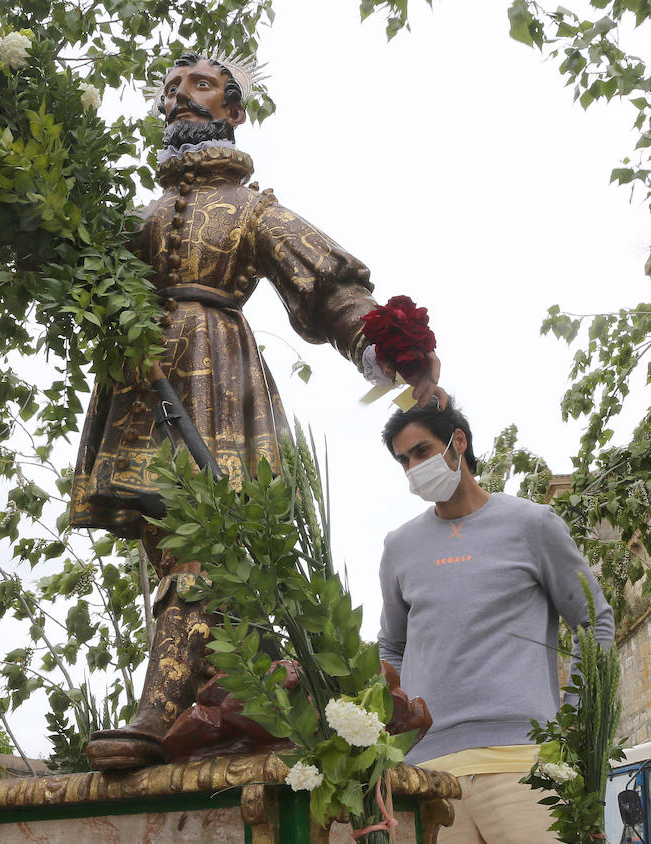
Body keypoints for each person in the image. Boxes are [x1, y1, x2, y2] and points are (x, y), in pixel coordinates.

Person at [75, 52, 444, 772]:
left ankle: (162, 709)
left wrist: (391, 346)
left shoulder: (253, 210)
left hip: (217, 380)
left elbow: (330, 290)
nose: (181, 96)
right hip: (144, 385)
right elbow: (73, 274)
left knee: (203, 550)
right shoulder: (137, 216)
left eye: (201, 85)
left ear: (234, 111)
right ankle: (213, 699)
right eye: (171, 87)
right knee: (172, 551)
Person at [377, 399, 615, 844]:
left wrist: (575, 718)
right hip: (429, 777)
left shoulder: (532, 524)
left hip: (523, 761)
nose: (415, 468)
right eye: (403, 460)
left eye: (422, 451)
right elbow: (390, 648)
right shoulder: (399, 547)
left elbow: (594, 619)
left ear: (457, 442)